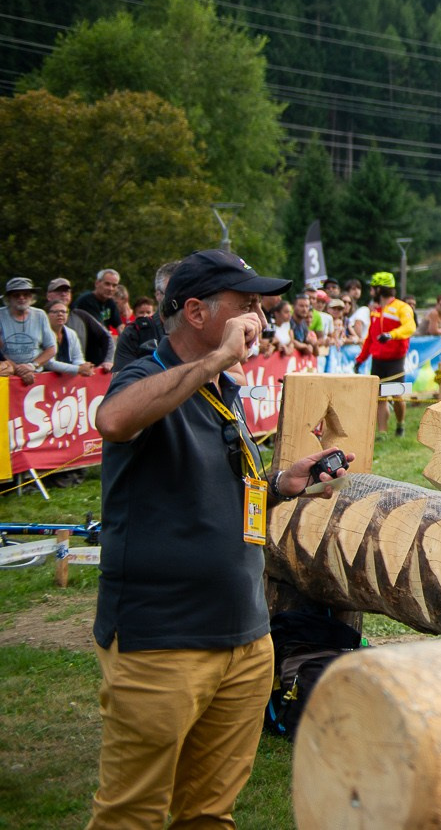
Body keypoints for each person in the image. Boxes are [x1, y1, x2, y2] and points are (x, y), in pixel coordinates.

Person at [90, 249, 345, 829]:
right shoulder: (148, 374)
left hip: (245, 640)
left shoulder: (221, 391)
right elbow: (113, 421)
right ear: (197, 312)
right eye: (246, 304)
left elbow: (226, 489)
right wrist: (221, 361)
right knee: (131, 815)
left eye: (260, 305)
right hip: (164, 641)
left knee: (209, 815)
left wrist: (282, 483)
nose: (260, 316)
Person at [356, 272, 415, 436]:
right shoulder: (375, 311)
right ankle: (382, 433)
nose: (370, 290)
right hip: (377, 359)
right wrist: (360, 359)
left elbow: (410, 327)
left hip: (395, 359)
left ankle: (400, 424)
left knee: (396, 394)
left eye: (373, 288)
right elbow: (370, 338)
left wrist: (391, 334)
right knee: (380, 397)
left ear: (380, 289)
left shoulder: (401, 307)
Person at [113, 262, 179, 370]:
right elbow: (121, 382)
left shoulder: (202, 331)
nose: (180, 297)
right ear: (158, 295)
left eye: (187, 291)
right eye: (172, 292)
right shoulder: (136, 333)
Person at [48, 276, 115, 371]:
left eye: (67, 291)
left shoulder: (81, 315)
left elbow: (107, 337)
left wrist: (108, 361)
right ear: (48, 296)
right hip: (47, 377)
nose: (63, 294)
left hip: (77, 379)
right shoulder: (41, 317)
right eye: (58, 291)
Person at [3, 276, 56, 378]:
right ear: (9, 298)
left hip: (35, 374)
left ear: (32, 297)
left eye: (26, 294)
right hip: (6, 375)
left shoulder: (40, 315)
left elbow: (51, 348)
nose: (21, 298)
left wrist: (32, 365)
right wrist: (17, 369)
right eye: (16, 295)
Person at [74, 267, 125, 338]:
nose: (111, 289)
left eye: (114, 285)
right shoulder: (86, 301)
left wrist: (125, 339)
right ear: (97, 283)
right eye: (107, 284)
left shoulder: (110, 302)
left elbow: (119, 325)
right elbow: (99, 329)